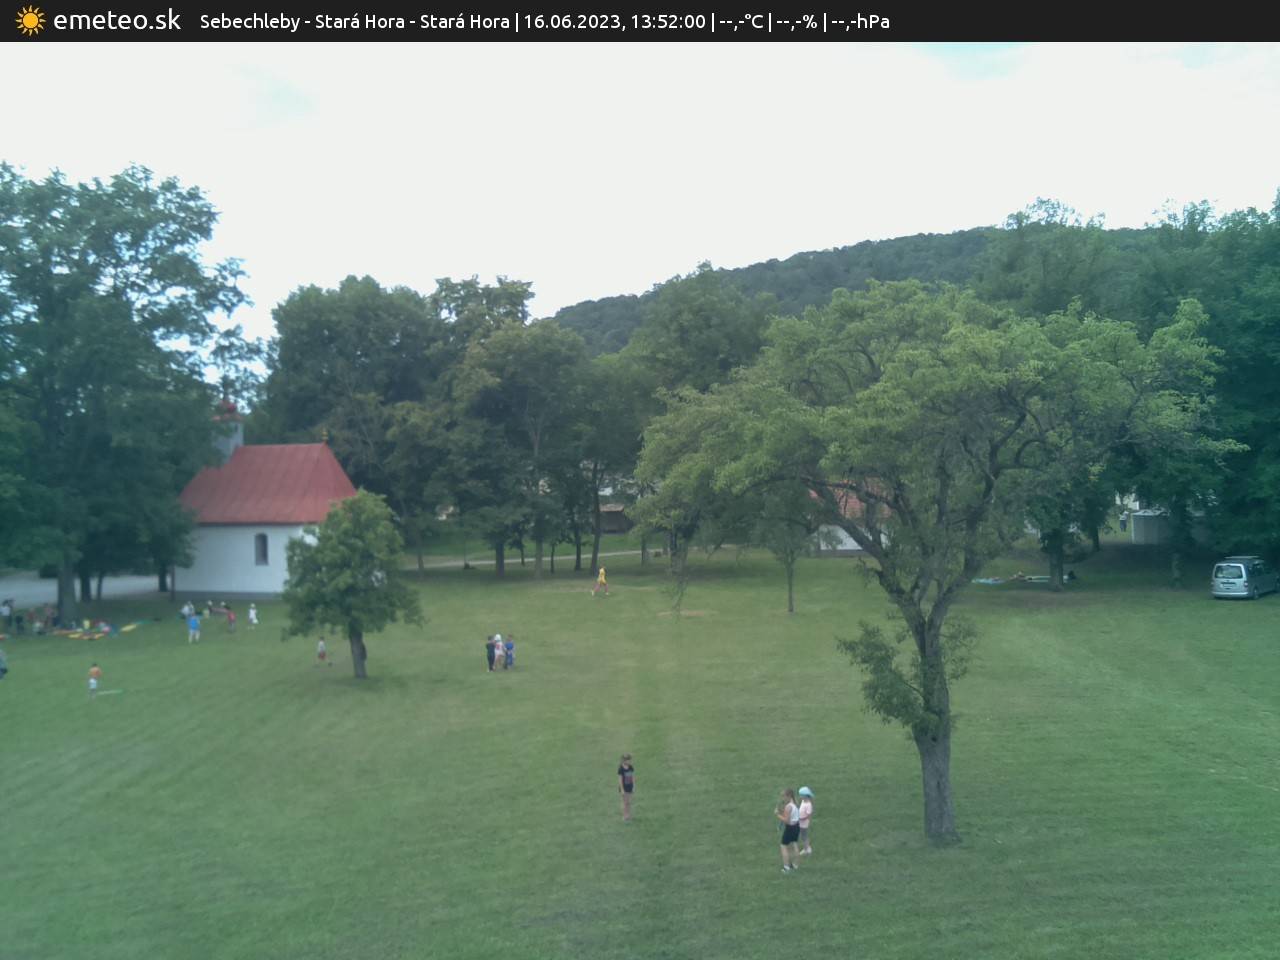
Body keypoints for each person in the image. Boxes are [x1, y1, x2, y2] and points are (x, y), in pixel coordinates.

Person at [777, 788, 801, 872]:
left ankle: (786, 867)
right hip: (797, 827)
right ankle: (795, 865)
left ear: (789, 796)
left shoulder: (788, 807)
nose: (783, 798)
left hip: (790, 828)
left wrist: (777, 814)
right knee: (794, 844)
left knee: (783, 846)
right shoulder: (795, 804)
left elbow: (786, 820)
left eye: (783, 796)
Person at [797, 786, 815, 855]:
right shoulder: (803, 801)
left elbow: (808, 815)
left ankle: (806, 849)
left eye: (801, 795)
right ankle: (807, 848)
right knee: (803, 835)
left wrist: (801, 818)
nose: (800, 796)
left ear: (805, 796)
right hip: (800, 822)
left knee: (804, 836)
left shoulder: (808, 805)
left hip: (803, 823)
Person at [618, 753, 636, 821]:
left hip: (629, 787)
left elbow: (633, 777)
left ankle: (628, 815)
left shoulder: (630, 767)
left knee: (629, 802)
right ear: (624, 761)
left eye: (630, 760)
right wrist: (622, 789)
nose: (630, 761)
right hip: (624, 788)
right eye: (628, 760)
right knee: (624, 802)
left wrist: (633, 786)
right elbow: (620, 780)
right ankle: (624, 816)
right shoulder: (621, 769)